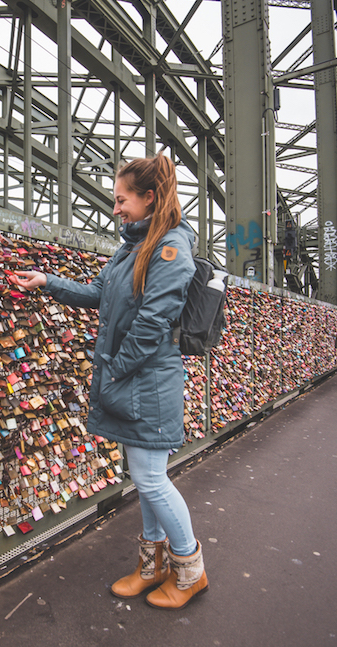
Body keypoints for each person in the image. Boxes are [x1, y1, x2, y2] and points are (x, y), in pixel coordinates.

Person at [13, 151, 208, 610]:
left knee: (152, 479)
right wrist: (47, 281)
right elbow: (101, 293)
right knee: (145, 478)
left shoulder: (170, 248)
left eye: (122, 200)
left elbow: (152, 323)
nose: (115, 208)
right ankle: (152, 566)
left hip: (148, 383)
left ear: (150, 197)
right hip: (132, 381)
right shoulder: (133, 245)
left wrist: (114, 370)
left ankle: (189, 569)